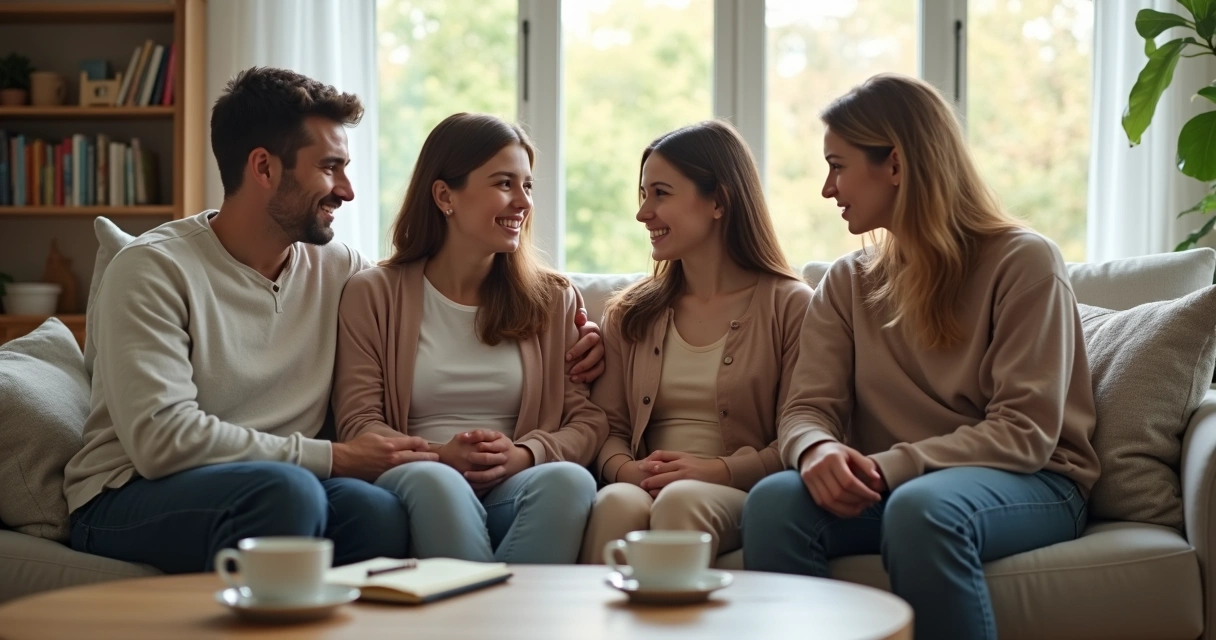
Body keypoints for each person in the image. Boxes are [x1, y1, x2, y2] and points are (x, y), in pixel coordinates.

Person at [62, 67, 605, 574]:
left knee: (377, 511)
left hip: (282, 480)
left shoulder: (335, 266)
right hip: (132, 491)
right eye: (329, 168)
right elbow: (162, 442)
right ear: (264, 168)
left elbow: (424, 292)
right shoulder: (153, 269)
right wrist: (335, 456)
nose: (346, 189)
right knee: (287, 492)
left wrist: (588, 331)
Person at [741, 73, 1099, 640]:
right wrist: (816, 450)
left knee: (921, 510)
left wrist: (890, 467)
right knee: (773, 504)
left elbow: (1024, 433)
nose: (827, 188)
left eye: (838, 165)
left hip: (1034, 482)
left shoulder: (1024, 262)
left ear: (897, 165)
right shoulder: (846, 282)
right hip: (894, 483)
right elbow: (806, 407)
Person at [332, 113, 607, 564]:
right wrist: (442, 456)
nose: (523, 202)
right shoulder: (373, 293)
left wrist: (523, 455)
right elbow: (360, 423)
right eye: (504, 183)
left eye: (528, 186)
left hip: (514, 483)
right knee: (436, 480)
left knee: (570, 480)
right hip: (417, 478)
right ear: (444, 196)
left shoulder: (553, 299)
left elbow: (587, 420)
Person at [580, 120, 811, 564]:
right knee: (615, 502)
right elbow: (607, 426)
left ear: (718, 201)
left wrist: (716, 470)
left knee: (681, 499)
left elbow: (803, 432)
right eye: (644, 194)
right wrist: (626, 470)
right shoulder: (631, 313)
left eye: (661, 193)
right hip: (645, 485)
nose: (643, 212)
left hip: (738, 492)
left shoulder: (791, 306)